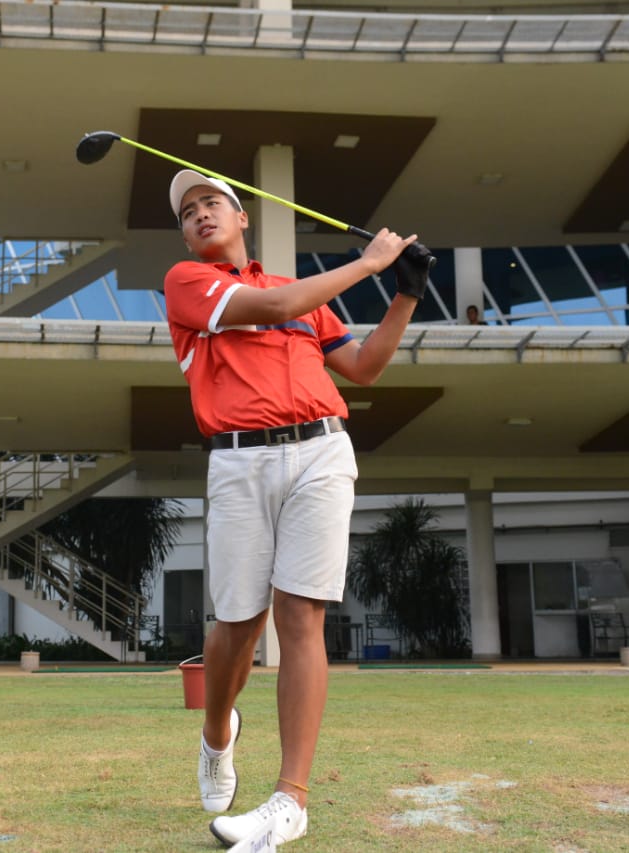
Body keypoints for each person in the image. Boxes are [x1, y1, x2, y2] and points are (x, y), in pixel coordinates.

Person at [163, 169, 431, 847]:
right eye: (188, 211)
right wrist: (369, 263)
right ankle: (218, 731)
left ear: (242, 216)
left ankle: (292, 797)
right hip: (237, 458)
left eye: (212, 203)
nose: (200, 215)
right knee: (237, 622)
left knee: (300, 613)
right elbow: (275, 306)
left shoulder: (308, 301)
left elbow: (364, 366)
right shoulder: (189, 283)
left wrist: (405, 291)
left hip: (321, 451)